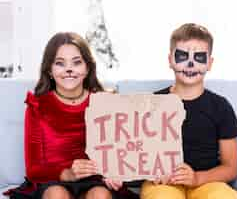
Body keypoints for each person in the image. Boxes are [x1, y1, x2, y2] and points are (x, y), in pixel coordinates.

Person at [5, 32, 139, 199]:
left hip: (95, 181)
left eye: (76, 63)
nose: (69, 69)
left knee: (100, 195)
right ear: (49, 70)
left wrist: (116, 172)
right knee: (57, 194)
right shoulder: (37, 107)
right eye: (60, 63)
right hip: (52, 182)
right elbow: (34, 169)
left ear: (87, 68)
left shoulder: (106, 102)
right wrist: (67, 174)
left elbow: (124, 153)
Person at [140, 23, 237, 199]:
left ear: (209, 63)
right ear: (170, 60)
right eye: (182, 56)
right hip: (163, 183)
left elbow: (231, 168)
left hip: (207, 182)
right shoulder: (151, 103)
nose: (190, 63)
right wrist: (152, 171)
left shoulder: (220, 107)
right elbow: (135, 152)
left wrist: (197, 178)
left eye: (199, 57)